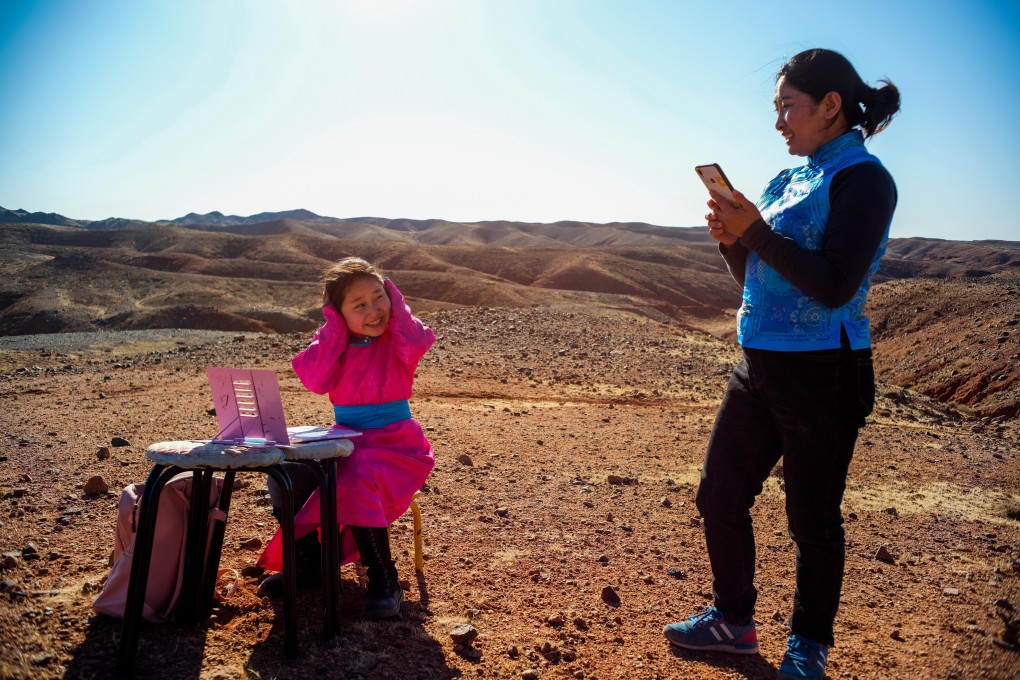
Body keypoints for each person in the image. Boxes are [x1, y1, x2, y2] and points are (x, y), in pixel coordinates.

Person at [663, 48, 900, 680]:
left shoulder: (864, 179)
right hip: (760, 363)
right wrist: (733, 243)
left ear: (831, 106)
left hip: (824, 373)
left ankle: (809, 645)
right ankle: (733, 622)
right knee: (719, 494)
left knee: (812, 519)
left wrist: (757, 234)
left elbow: (836, 285)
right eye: (776, 109)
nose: (778, 123)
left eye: (788, 107)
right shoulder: (786, 179)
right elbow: (760, 277)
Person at [256, 257, 436, 620]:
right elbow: (315, 379)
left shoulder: (398, 338)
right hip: (348, 440)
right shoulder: (333, 344)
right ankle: (309, 566)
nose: (374, 311)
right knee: (287, 473)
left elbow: (419, 339)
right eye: (359, 305)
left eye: (379, 297)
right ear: (338, 314)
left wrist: (395, 299)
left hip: (396, 445)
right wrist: (334, 329)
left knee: (355, 477)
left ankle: (384, 579)